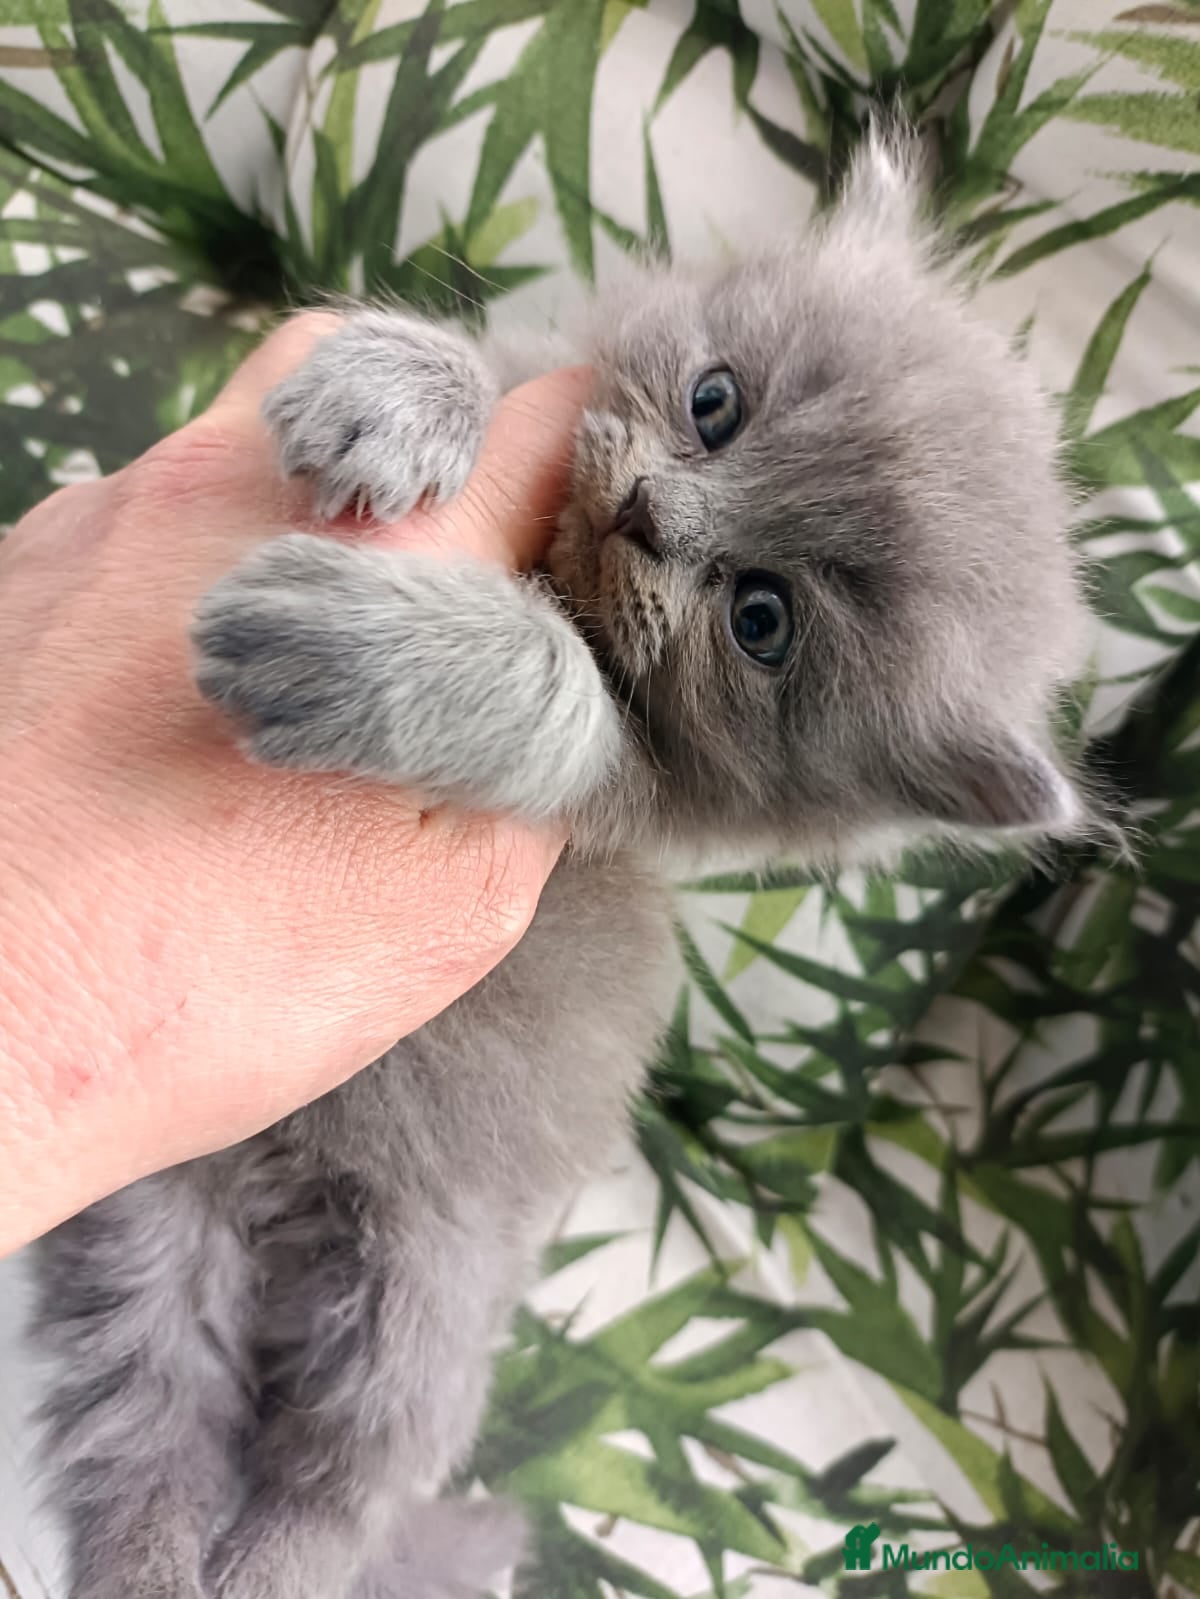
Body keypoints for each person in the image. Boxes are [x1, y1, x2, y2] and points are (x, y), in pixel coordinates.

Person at [0, 312, 589, 1256]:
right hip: (146, 1124)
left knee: (388, 1370)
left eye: (759, 618)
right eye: (716, 408)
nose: (662, 507)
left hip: (446, 1137)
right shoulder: (547, 397)